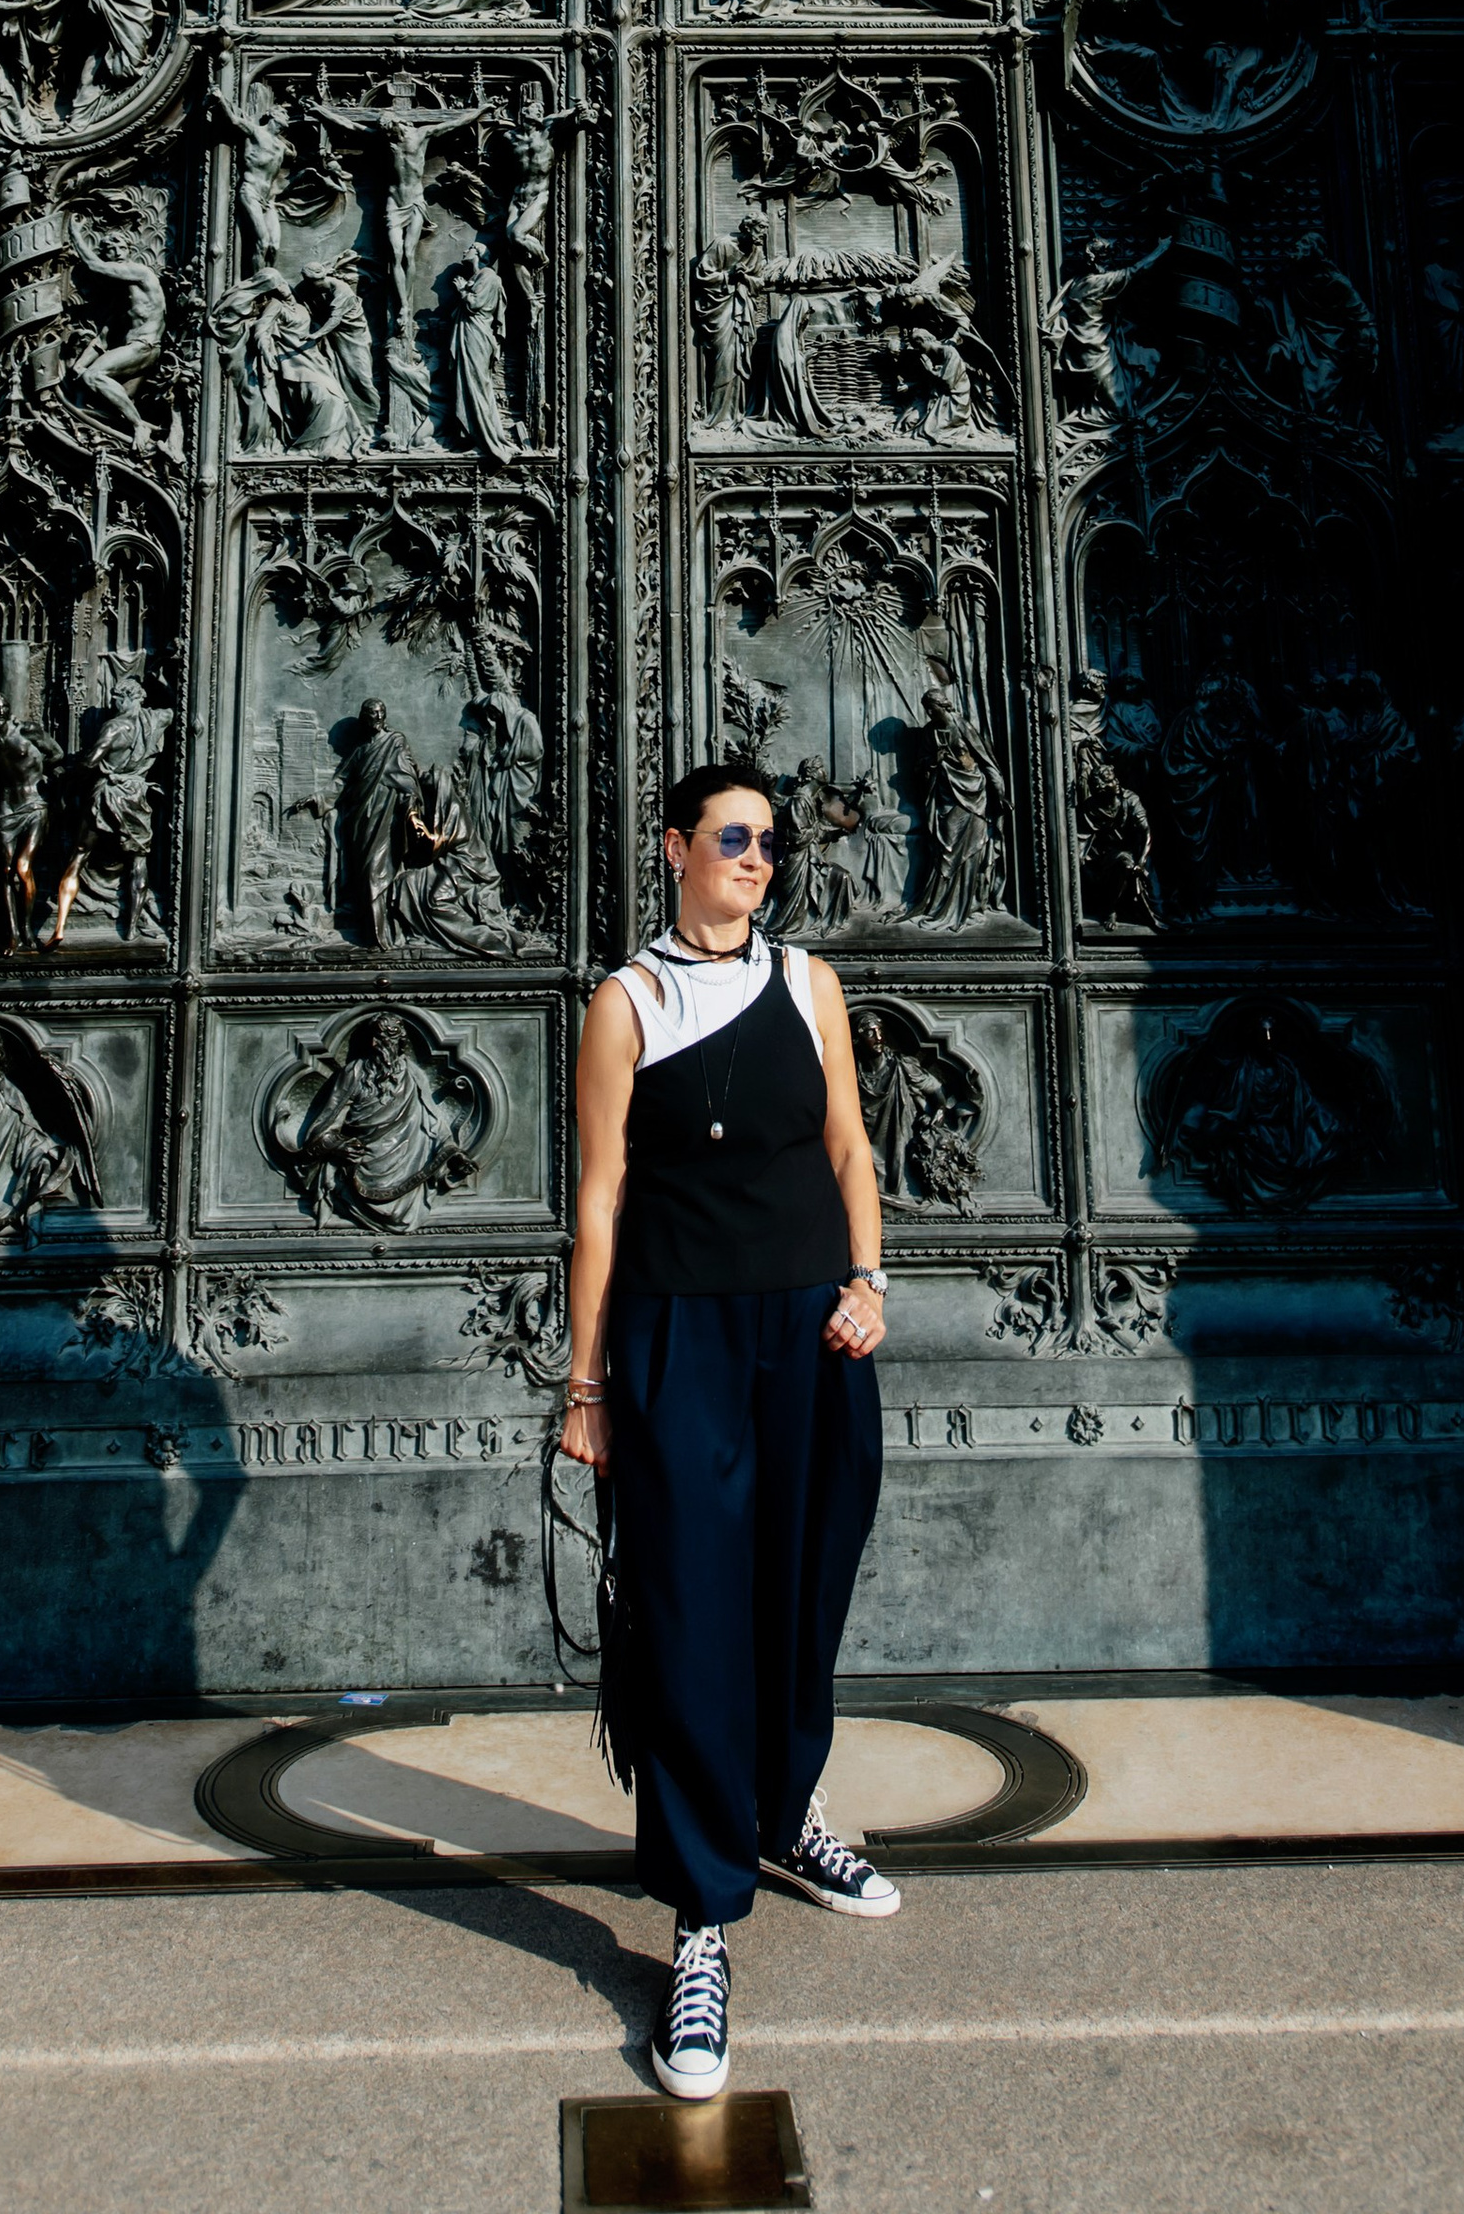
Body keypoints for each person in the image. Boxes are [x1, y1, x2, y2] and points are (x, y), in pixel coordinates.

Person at [562, 764, 897, 2104]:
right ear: (678, 850)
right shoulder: (624, 1004)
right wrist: (583, 1388)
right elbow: (598, 1200)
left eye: (771, 840)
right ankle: (704, 1923)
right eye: (736, 838)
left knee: (807, 1587)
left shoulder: (811, 984)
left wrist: (870, 1281)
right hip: (676, 1337)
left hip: (809, 1334)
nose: (758, 857)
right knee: (694, 1612)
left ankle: (786, 1810)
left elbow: (852, 1150)